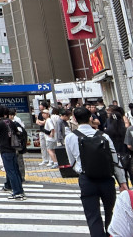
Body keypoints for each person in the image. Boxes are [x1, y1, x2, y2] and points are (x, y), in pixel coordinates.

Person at [65, 106, 128, 237]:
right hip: (106, 179)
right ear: (90, 118)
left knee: (93, 216)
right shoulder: (103, 136)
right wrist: (122, 182)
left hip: (87, 180)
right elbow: (115, 160)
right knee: (111, 213)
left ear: (75, 119)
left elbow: (72, 162)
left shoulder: (70, 137)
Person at [0, 105, 26, 200]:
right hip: (13, 148)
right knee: (14, 170)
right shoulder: (10, 122)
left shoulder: (0, 123)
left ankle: (17, 192)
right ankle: (10, 186)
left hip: (5, 149)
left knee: (11, 171)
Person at [36, 101, 51, 166]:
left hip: (47, 132)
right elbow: (37, 122)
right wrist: (41, 122)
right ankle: (45, 159)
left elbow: (45, 122)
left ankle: (51, 160)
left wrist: (41, 122)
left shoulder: (49, 113)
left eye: (40, 105)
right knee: (42, 146)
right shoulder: (39, 114)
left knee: (48, 146)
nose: (39, 106)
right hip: (41, 131)